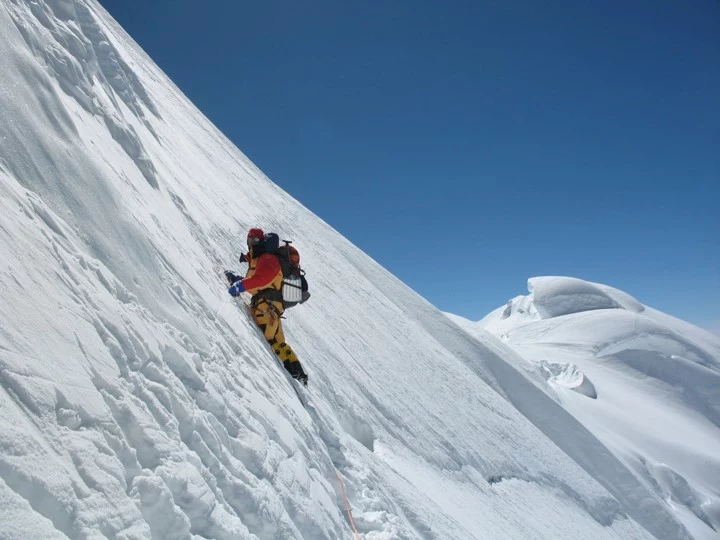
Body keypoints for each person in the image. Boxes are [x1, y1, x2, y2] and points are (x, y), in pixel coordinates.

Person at [225, 228, 308, 386]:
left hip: (265, 309)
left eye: (254, 240)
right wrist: (238, 279)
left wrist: (239, 285)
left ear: (261, 241)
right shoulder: (264, 259)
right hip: (273, 309)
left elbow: (261, 280)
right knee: (280, 343)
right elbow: (260, 282)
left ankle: (292, 377)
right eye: (250, 240)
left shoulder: (267, 258)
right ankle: (298, 374)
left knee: (271, 344)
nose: (251, 244)